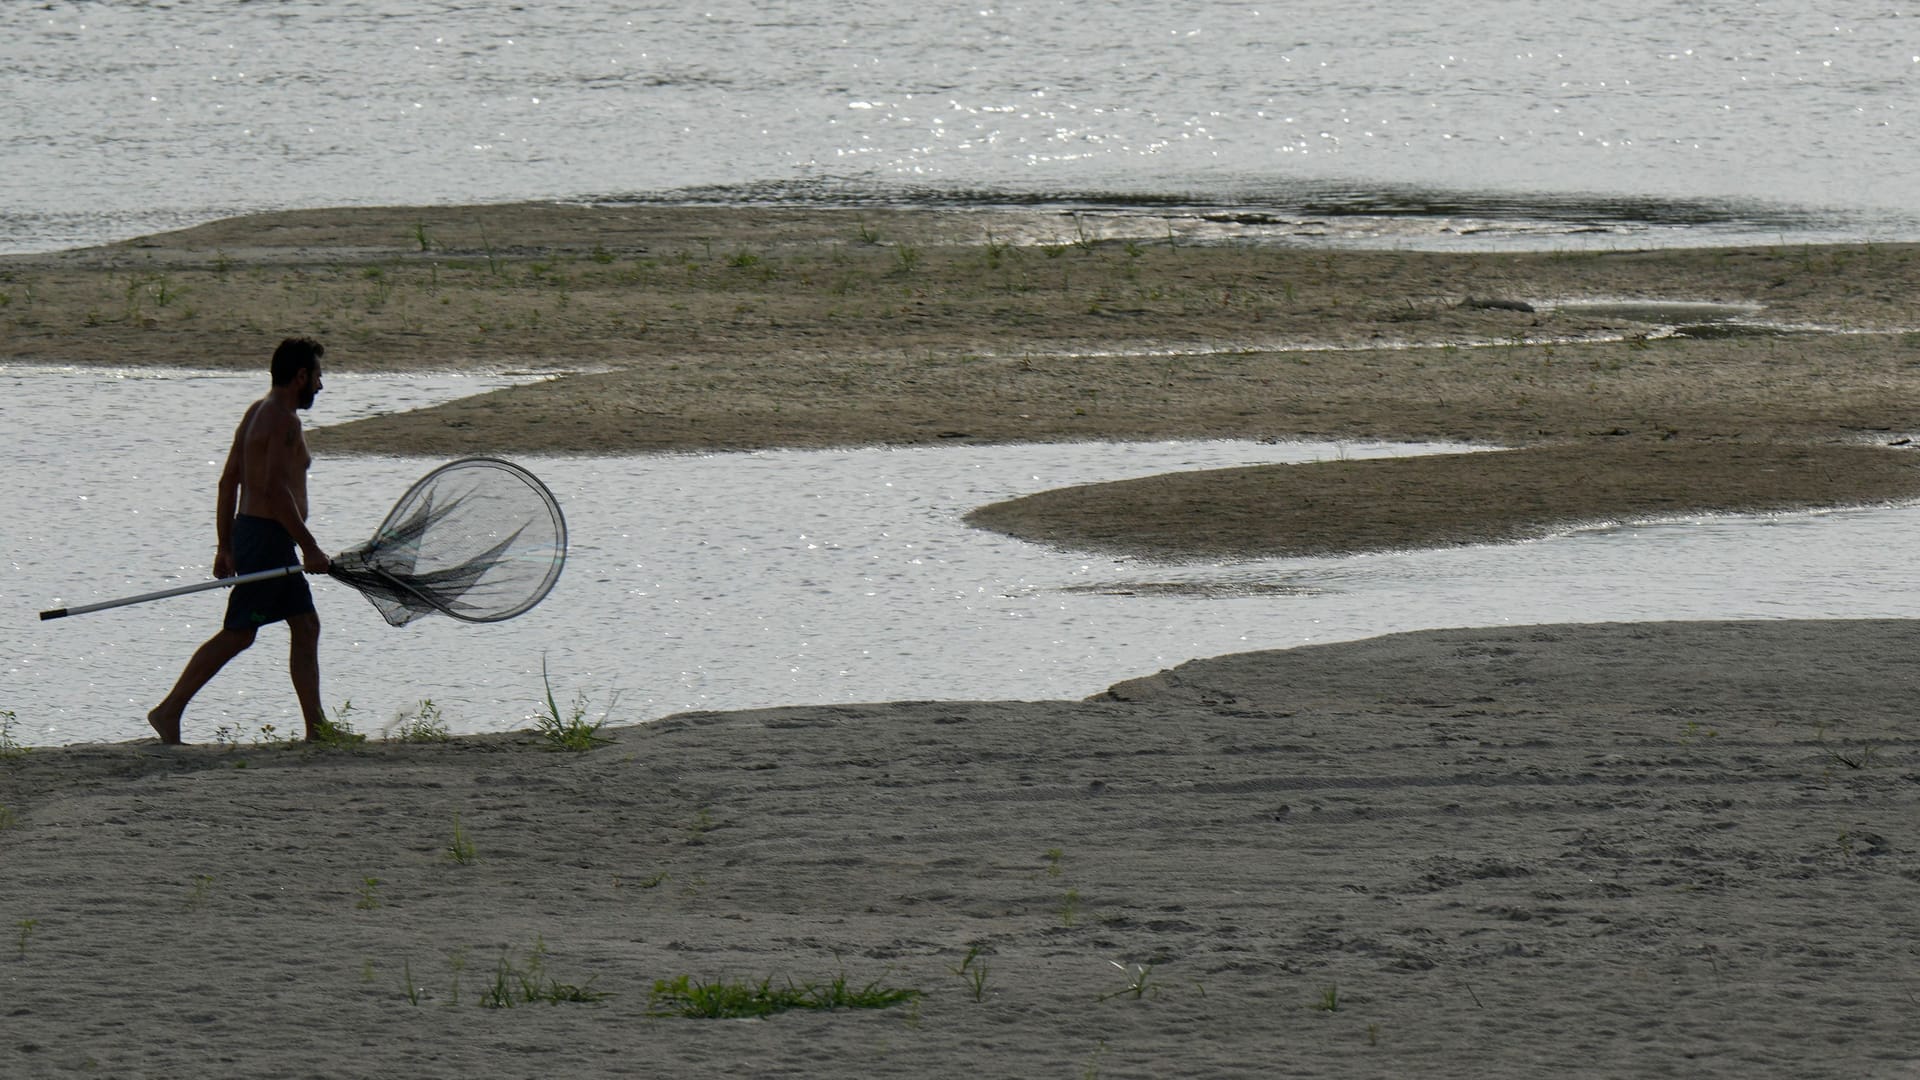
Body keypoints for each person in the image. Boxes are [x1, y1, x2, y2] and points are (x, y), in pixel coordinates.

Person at [147, 338, 331, 744]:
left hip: (257, 535)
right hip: (267, 538)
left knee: (306, 624)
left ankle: (317, 729)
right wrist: (311, 547)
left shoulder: (257, 411)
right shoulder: (283, 421)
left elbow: (228, 481)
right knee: (239, 632)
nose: (320, 386)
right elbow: (274, 493)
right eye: (317, 376)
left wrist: (225, 545)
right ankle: (168, 710)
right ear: (300, 376)